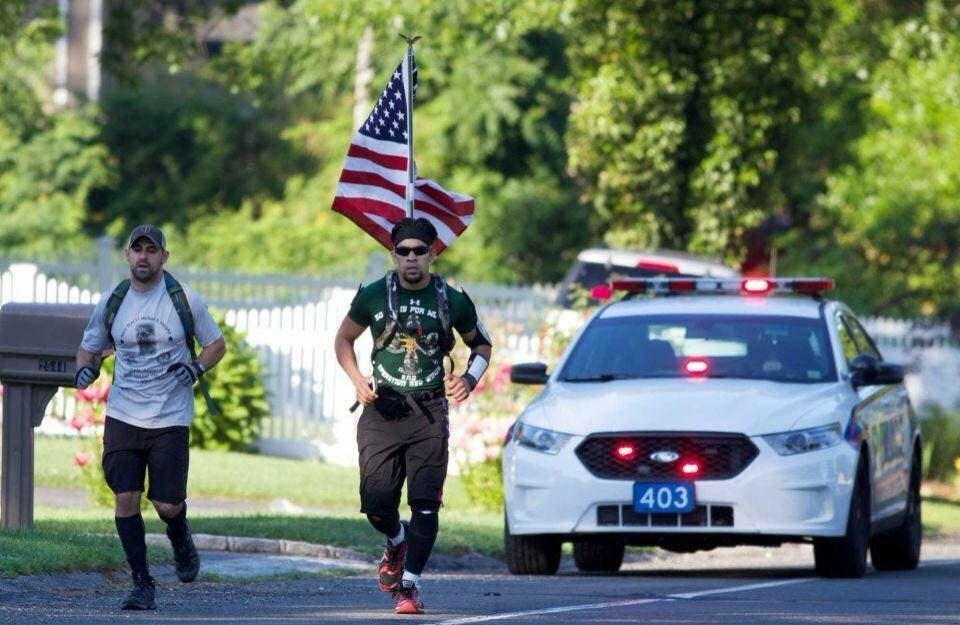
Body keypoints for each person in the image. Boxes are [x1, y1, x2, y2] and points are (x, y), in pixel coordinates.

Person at [334, 217, 493, 615]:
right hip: (382, 409)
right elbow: (343, 339)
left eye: (418, 251)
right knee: (376, 503)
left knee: (425, 504)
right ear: (393, 254)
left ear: (432, 254)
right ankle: (395, 540)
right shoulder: (373, 295)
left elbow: (482, 346)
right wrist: (357, 380)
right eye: (402, 251)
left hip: (428, 413)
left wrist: (469, 380)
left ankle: (408, 587)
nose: (411, 258)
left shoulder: (451, 300)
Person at [75, 225, 226, 611]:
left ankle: (180, 537)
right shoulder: (113, 300)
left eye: (151, 250)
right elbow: (88, 347)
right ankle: (142, 583)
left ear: (164, 257)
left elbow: (216, 344)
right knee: (126, 498)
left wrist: (196, 368)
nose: (144, 256)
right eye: (137, 249)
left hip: (170, 416)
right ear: (127, 256)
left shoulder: (182, 299)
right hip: (124, 413)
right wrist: (85, 370)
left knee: (167, 505)